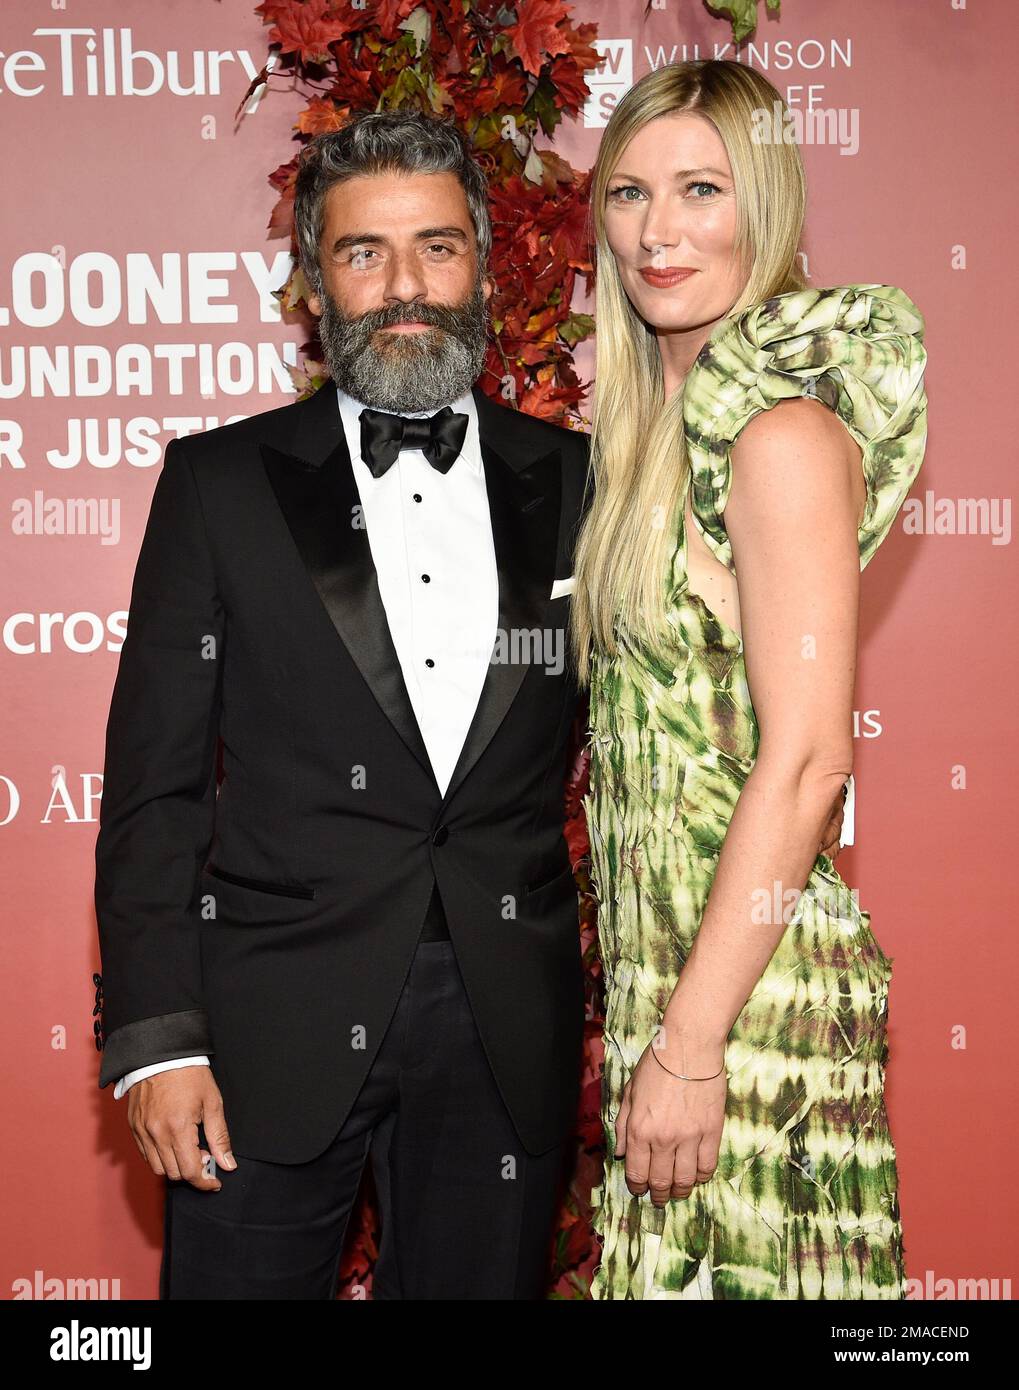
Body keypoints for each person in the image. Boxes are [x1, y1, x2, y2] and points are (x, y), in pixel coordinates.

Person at [93, 110, 592, 1300]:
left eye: (435, 246)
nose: (404, 287)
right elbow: (154, 787)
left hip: (501, 1021)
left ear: (481, 257)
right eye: (364, 253)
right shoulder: (218, 484)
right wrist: (157, 1035)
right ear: (315, 283)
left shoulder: (580, 478)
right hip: (267, 1018)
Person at [571, 60, 927, 1299]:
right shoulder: (646, 442)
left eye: (698, 189)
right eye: (626, 193)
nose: (656, 231)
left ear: (761, 205)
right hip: (674, 995)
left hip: (747, 1015)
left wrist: (687, 1044)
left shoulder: (776, 435)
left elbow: (811, 759)